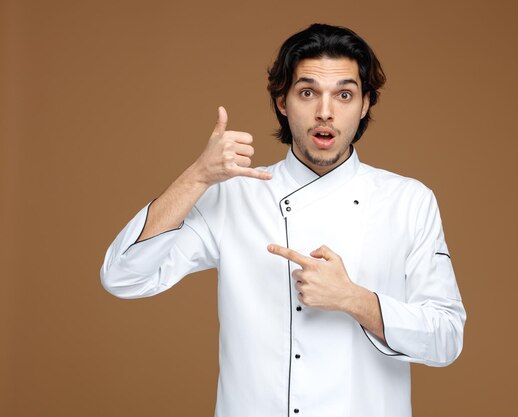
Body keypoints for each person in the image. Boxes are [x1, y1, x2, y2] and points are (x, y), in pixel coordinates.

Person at [101, 23, 466, 417]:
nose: (325, 112)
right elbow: (124, 277)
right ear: (282, 101)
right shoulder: (235, 194)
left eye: (344, 94)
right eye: (307, 93)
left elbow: (446, 338)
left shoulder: (408, 201)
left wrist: (353, 299)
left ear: (364, 104)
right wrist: (198, 176)